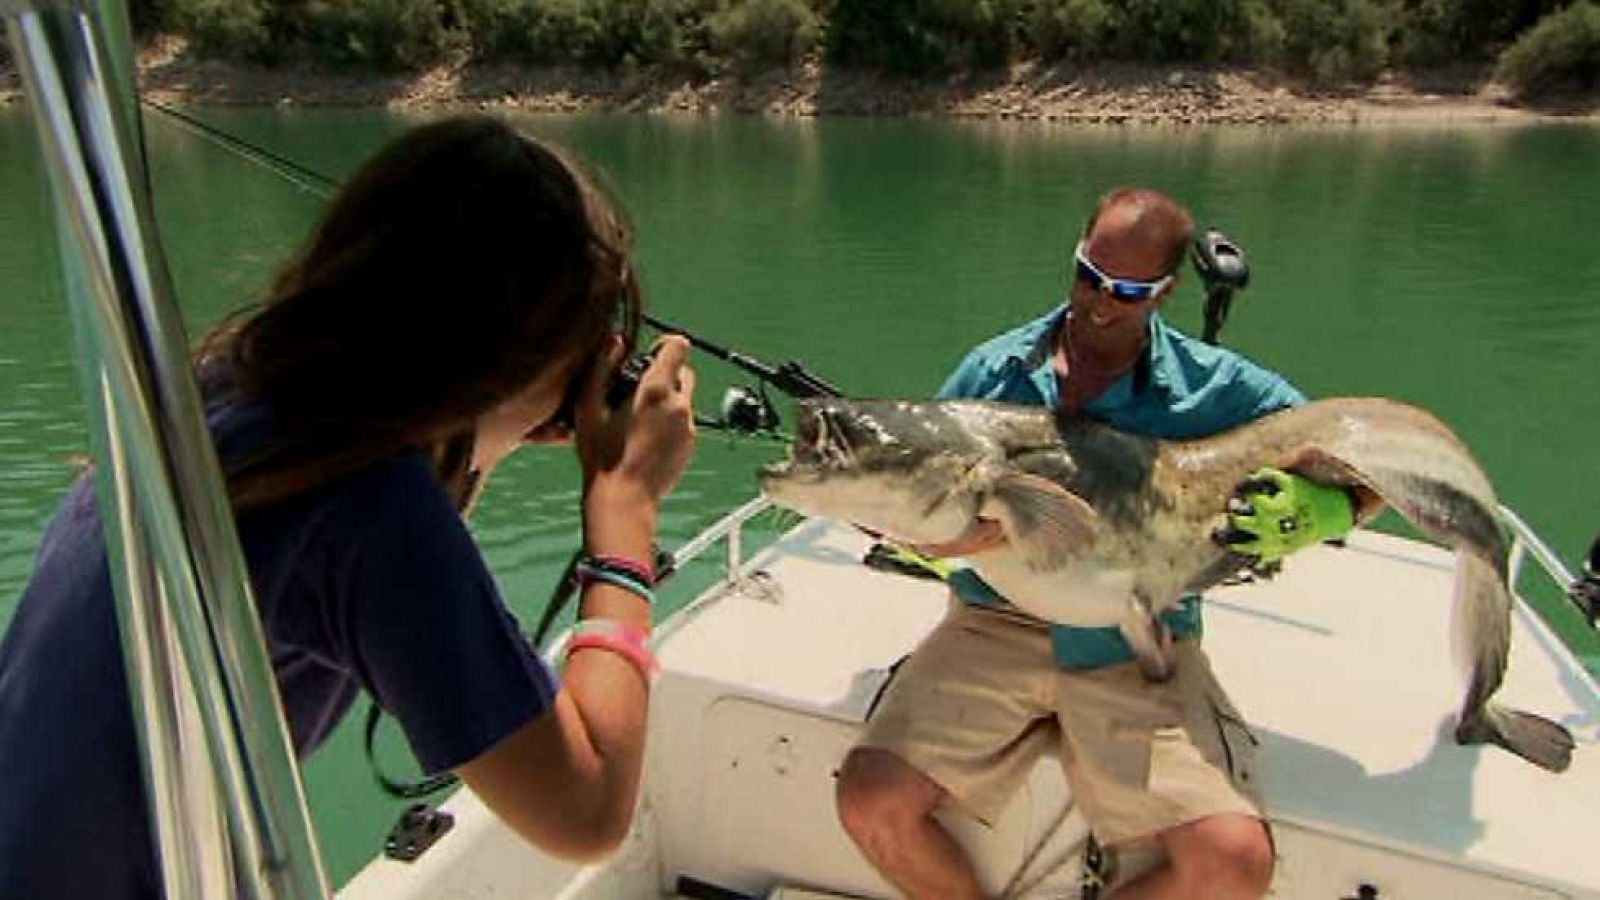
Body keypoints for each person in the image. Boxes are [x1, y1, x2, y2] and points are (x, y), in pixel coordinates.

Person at [0, 115, 697, 897]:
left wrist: (494, 428)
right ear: (521, 358)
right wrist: (625, 508)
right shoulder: (370, 507)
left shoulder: (230, 392)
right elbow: (587, 811)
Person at [835, 187, 1368, 899]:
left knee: (1234, 862)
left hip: (1136, 638)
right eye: (1089, 274)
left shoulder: (1218, 391)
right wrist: (881, 513)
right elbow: (919, 491)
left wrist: (1329, 510)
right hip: (997, 619)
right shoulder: (992, 374)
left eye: (1127, 289)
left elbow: (1373, 460)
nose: (1100, 300)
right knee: (870, 802)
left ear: (1167, 291)